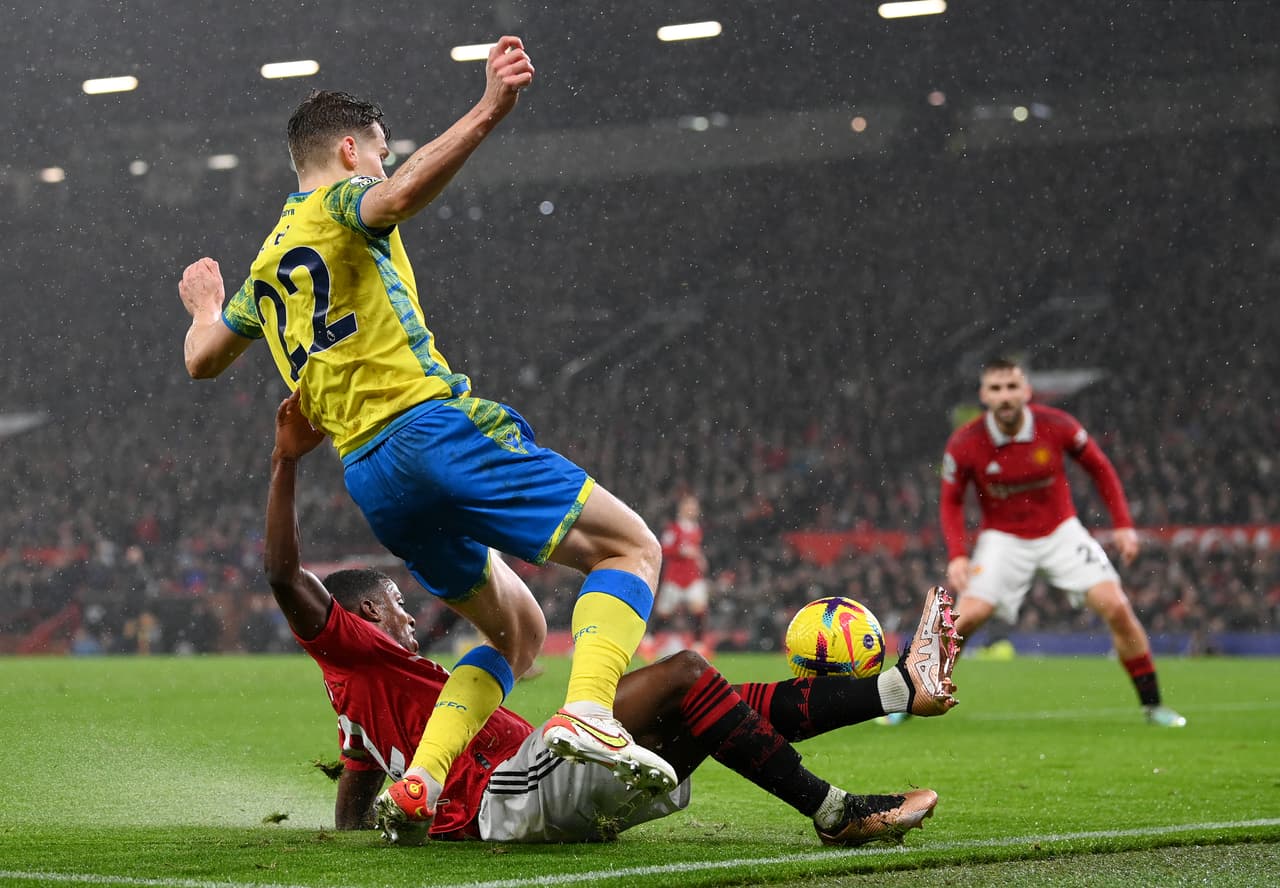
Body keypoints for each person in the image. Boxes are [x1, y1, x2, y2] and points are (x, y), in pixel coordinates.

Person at [177, 35, 676, 829]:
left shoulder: (267, 268)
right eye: (379, 151)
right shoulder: (339, 203)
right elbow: (397, 198)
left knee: (520, 632)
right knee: (633, 548)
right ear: (348, 149)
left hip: (372, 478)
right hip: (430, 429)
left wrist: (205, 303)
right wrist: (488, 108)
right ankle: (589, 715)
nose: (384, 163)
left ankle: (422, 780)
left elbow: (203, 359)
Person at [266, 391, 960, 845]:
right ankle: (837, 808)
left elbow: (356, 789)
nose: (411, 625)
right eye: (396, 613)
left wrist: (356, 838)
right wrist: (285, 461)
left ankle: (896, 692)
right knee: (685, 671)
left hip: (528, 781)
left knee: (703, 698)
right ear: (360, 617)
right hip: (508, 795)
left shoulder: (359, 705)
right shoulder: (355, 654)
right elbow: (284, 575)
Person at [935, 357, 1185, 727]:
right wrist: (957, 555)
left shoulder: (1057, 425)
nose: (1005, 396)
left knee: (1116, 606)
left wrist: (1123, 525)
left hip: (1060, 532)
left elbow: (1101, 468)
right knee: (967, 617)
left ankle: (1153, 706)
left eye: (1011, 387)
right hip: (1003, 539)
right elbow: (951, 500)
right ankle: (917, 698)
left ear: (1027, 391)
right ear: (983, 395)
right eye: (996, 388)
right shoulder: (965, 442)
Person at [650, 494, 712, 657]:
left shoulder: (697, 529)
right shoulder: (673, 528)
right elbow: (665, 548)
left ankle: (699, 644)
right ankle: (649, 639)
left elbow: (694, 551)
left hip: (693, 577)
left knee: (699, 608)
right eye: (689, 506)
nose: (692, 509)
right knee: (664, 612)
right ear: (681, 508)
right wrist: (683, 551)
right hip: (674, 578)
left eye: (694, 506)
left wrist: (700, 558)